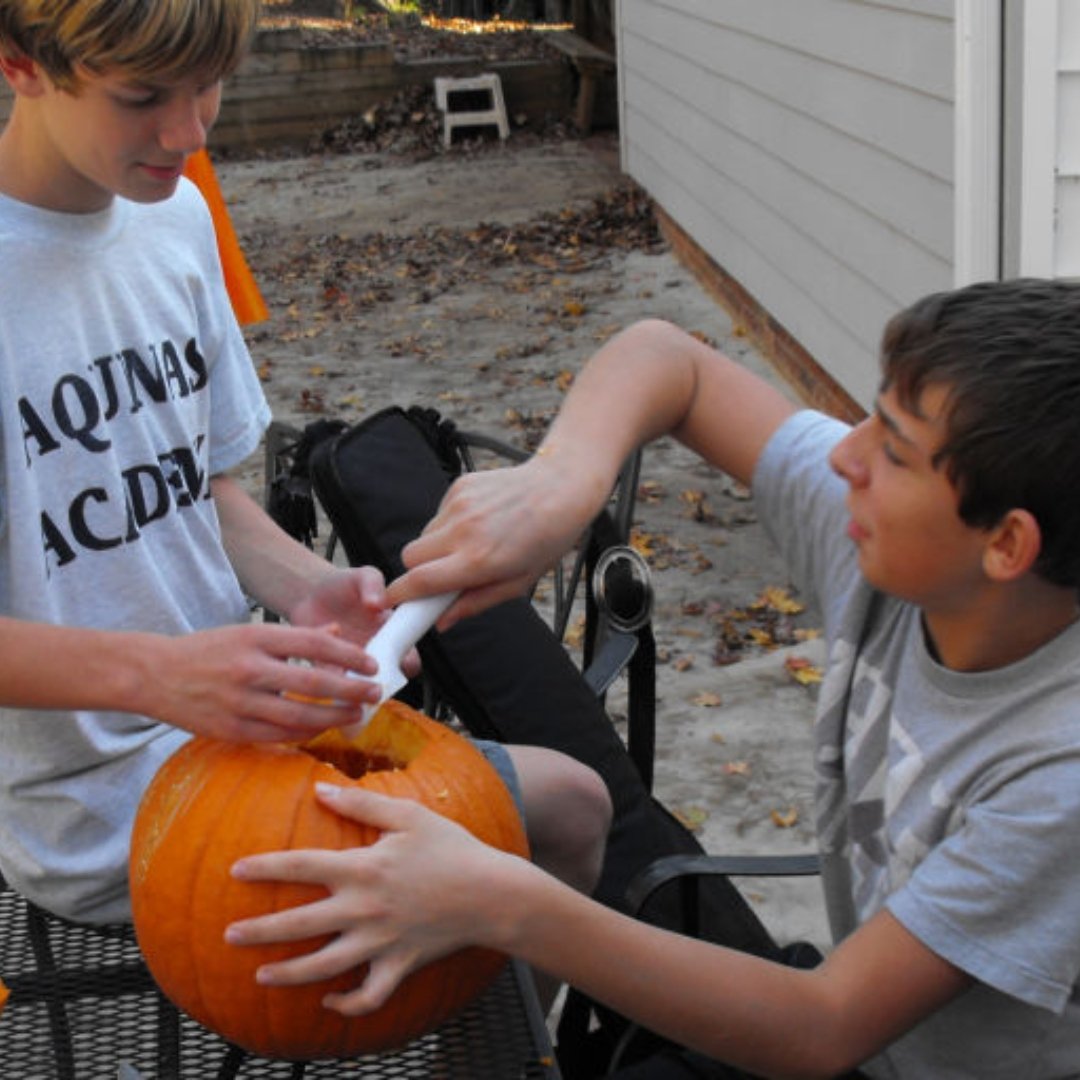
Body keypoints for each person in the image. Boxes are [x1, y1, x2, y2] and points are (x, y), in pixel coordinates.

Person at [225, 279, 1080, 1078]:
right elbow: (668, 361)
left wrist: (504, 904)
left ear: (1006, 545)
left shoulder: (1058, 777)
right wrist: (561, 480)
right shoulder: (909, 544)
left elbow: (823, 1026)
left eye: (893, 449)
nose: (844, 454)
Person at [0, 0, 610, 935]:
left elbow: (194, 486)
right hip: (107, 817)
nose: (187, 130)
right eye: (142, 96)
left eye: (209, 86)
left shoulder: (176, 220)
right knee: (558, 815)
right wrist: (156, 676)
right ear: (20, 64)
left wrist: (311, 589)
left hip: (248, 724)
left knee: (579, 804)